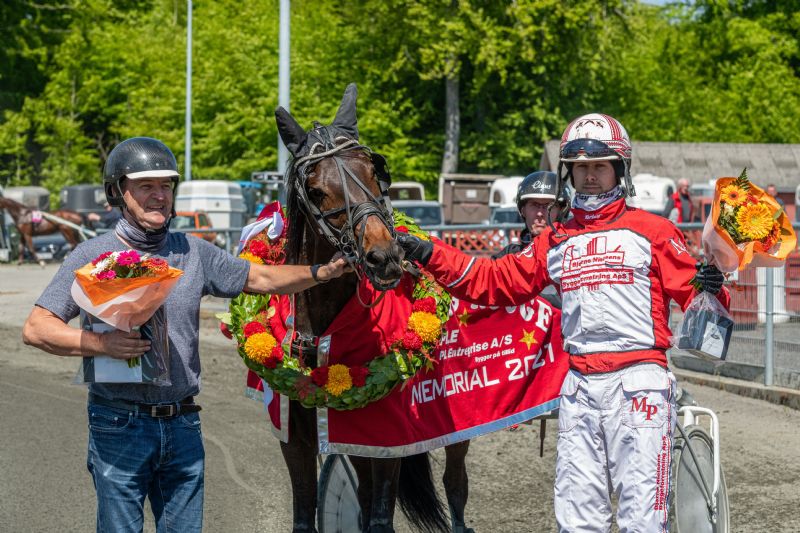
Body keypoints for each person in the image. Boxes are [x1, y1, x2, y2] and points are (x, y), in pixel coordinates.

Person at [397, 113, 729, 532]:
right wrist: (430, 253)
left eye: (599, 166)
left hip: (640, 384)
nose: (589, 177)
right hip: (579, 388)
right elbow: (492, 281)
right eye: (580, 167)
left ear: (620, 169)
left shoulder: (656, 231)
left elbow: (703, 304)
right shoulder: (554, 238)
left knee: (642, 519)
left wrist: (713, 284)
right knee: (576, 519)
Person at [21, 137, 349, 533]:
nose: (160, 196)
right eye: (146, 186)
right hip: (118, 424)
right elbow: (37, 328)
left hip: (182, 424)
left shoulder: (194, 252)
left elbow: (259, 278)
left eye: (166, 186)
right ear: (117, 192)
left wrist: (320, 273)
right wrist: (100, 344)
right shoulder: (91, 254)